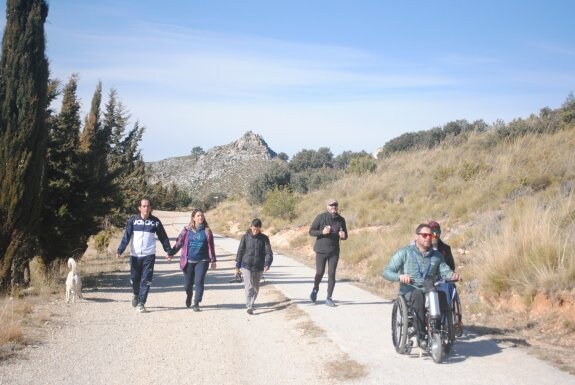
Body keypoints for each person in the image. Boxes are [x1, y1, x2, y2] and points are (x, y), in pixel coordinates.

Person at [383, 223, 460, 346]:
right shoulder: (404, 253)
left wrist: (452, 275)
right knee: (418, 295)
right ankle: (421, 336)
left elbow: (445, 271)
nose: (428, 238)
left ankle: (439, 331)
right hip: (410, 291)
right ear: (416, 237)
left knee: (441, 296)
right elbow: (387, 272)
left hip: (430, 290)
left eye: (430, 235)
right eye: (424, 235)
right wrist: (400, 277)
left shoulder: (437, 256)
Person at [117, 198, 173, 313]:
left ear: (151, 208)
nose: (146, 208)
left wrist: (169, 251)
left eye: (148, 206)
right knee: (134, 279)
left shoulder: (155, 222)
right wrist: (120, 250)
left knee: (146, 280)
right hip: (135, 255)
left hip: (149, 255)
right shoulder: (132, 220)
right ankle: (136, 294)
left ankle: (141, 303)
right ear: (139, 208)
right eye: (143, 206)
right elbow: (126, 236)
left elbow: (163, 237)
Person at [169, 208, 217, 312]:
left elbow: (211, 247)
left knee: (199, 281)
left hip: (202, 260)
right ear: (193, 218)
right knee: (188, 285)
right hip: (188, 261)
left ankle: (196, 303)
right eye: (198, 216)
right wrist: (171, 253)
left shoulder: (207, 231)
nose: (201, 217)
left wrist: (213, 260)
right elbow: (179, 242)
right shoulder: (186, 230)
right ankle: (189, 295)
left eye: (202, 215)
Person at [308, 198, 348, 307]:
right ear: (327, 206)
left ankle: (329, 297)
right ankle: (315, 289)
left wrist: (343, 236)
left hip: (334, 251)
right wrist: (322, 232)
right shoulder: (321, 217)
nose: (333, 207)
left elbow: (345, 235)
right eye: (331, 205)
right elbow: (311, 231)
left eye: (335, 205)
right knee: (320, 272)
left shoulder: (341, 220)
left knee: (332, 274)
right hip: (321, 250)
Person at [235, 218, 273, 315]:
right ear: (251, 227)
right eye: (253, 229)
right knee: (249, 287)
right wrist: (237, 266)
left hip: (259, 266)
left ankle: (251, 303)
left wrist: (267, 263)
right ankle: (249, 306)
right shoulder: (245, 237)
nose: (255, 231)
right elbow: (240, 251)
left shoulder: (264, 238)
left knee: (256, 288)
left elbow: (269, 252)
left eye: (257, 229)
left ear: (260, 228)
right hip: (246, 265)